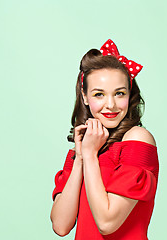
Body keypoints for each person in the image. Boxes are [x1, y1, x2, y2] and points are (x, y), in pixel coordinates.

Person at [50, 39, 159, 240]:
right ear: (84, 97)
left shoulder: (137, 139)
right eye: (99, 94)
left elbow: (107, 223)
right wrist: (81, 157)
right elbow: (61, 225)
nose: (110, 105)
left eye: (119, 93)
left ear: (129, 94)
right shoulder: (85, 148)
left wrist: (90, 155)